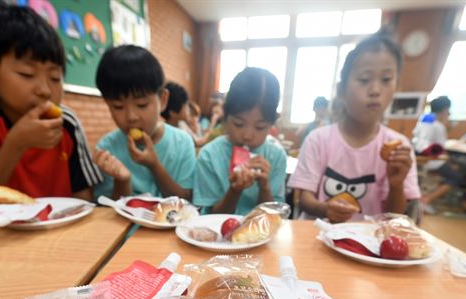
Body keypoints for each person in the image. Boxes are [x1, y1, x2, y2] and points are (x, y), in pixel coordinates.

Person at [0, 5, 102, 201]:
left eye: (54, 77)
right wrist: (17, 143)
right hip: (0, 228)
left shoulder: (66, 122)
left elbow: (84, 196)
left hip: (59, 226)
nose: (44, 90)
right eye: (27, 74)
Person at [288, 32, 420, 222]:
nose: (375, 90)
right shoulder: (318, 139)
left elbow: (394, 217)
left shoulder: (399, 146)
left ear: (396, 87)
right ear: (342, 90)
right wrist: (325, 209)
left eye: (386, 80)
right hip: (316, 240)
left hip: (368, 244)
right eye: (364, 80)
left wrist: (396, 185)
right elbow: (304, 199)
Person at [93, 46, 195, 200]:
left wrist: (154, 165)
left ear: (162, 100)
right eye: (118, 107)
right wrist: (122, 181)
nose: (131, 117)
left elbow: (186, 201)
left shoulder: (182, 142)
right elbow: (107, 212)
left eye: (141, 105)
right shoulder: (107, 149)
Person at [193, 67, 287, 215]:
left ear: (271, 124)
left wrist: (264, 187)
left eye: (259, 127)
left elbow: (274, 217)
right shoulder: (209, 156)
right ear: (225, 117)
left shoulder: (276, 157)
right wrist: (234, 191)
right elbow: (207, 217)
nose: (248, 135)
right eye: (239, 124)